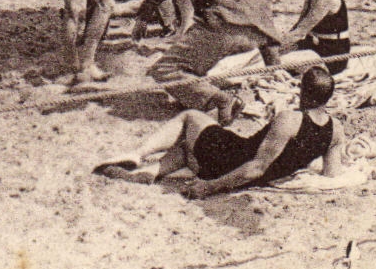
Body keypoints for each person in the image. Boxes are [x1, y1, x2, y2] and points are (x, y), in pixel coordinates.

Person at [93, 66, 345, 197]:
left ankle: (138, 154)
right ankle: (149, 172)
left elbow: (256, 166)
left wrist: (211, 187)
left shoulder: (290, 120)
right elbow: (332, 173)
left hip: (231, 162)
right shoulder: (336, 132)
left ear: (303, 91)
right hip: (245, 168)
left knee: (190, 117)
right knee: (186, 146)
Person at [146, 0, 288, 124]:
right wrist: (274, 67)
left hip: (224, 27)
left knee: (164, 69)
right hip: (256, 36)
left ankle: (222, 100)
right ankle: (202, 99)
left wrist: (142, 19)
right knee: (195, 63)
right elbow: (264, 17)